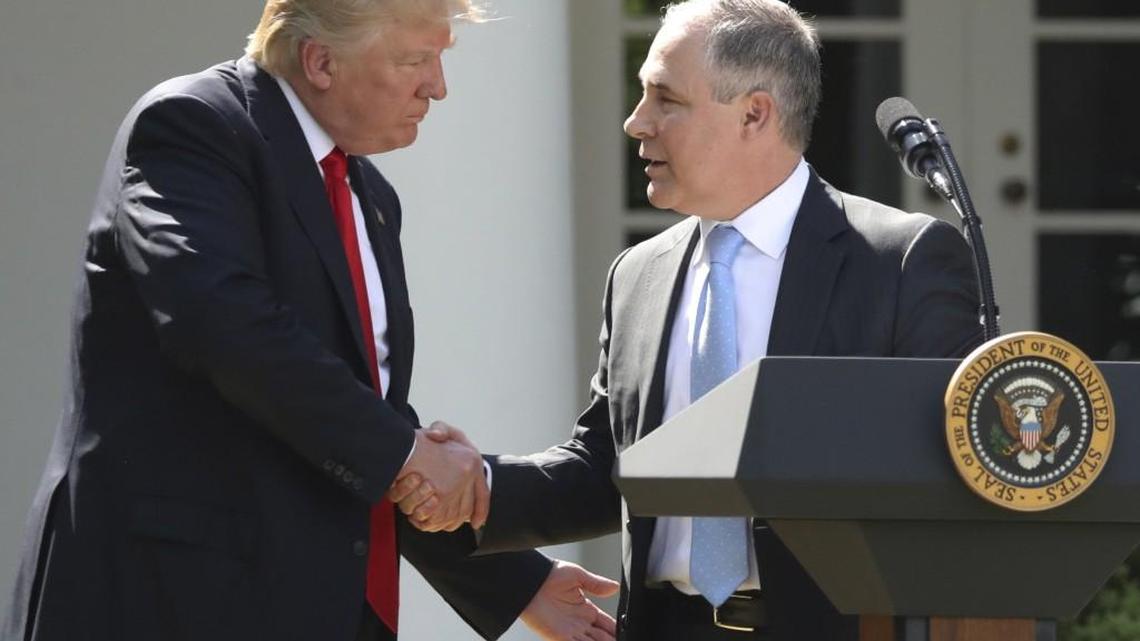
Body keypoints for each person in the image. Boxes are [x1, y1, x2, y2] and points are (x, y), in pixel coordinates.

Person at [2, 1, 617, 640]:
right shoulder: (192, 126)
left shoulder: (369, 196)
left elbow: (345, 420)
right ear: (320, 61)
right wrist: (410, 455)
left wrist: (517, 582)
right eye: (415, 60)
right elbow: (226, 327)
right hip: (164, 601)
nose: (437, 85)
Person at [395, 0, 984, 639]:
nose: (635, 122)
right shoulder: (638, 277)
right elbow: (608, 467)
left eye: (665, 99)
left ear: (754, 114)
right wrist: (478, 483)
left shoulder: (899, 262)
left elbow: (945, 478)